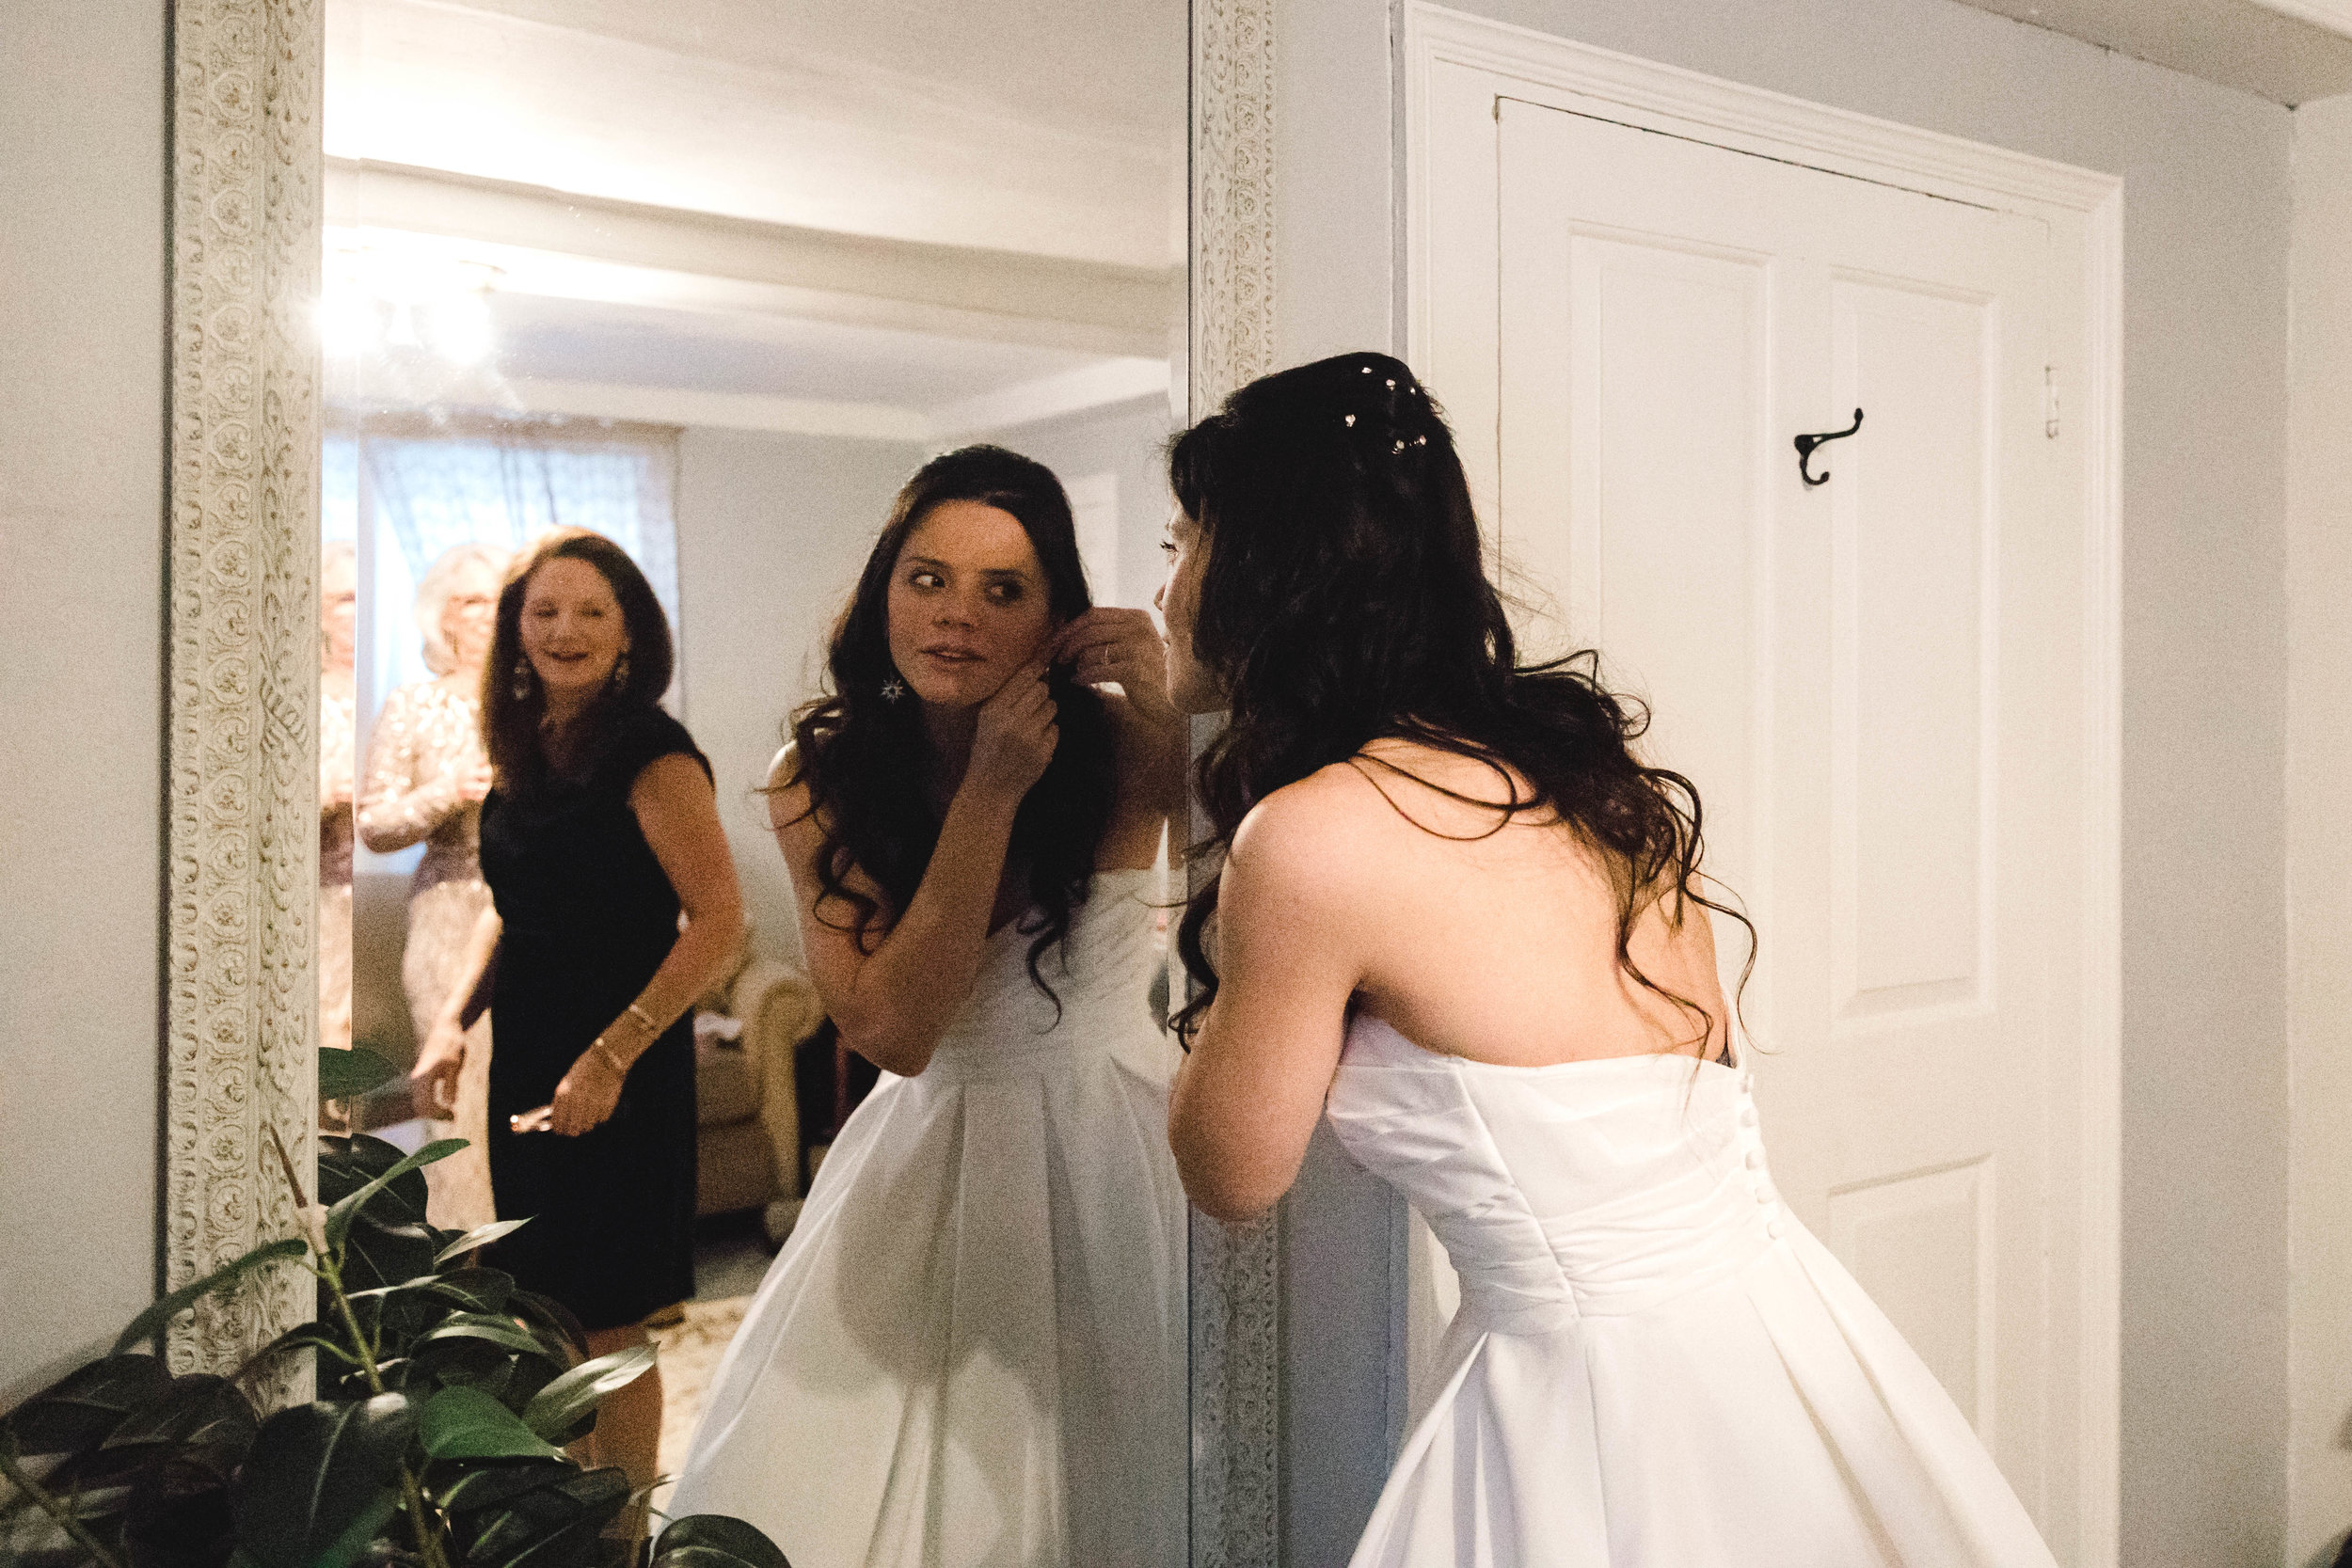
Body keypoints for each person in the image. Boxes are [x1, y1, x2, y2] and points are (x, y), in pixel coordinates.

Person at [1158, 353, 2060, 1567]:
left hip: (1596, 1399)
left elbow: (1230, 1169)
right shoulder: (1579, 775)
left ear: (1260, 570)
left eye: (1181, 543)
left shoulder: (1318, 832)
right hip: (1778, 1336)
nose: (1165, 591)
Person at [669, 446, 1187, 1568]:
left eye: (1005, 589)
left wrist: (1174, 704)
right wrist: (993, 788)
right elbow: (895, 1032)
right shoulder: (818, 771)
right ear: (883, 586)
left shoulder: (1122, 747)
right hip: (933, 1135)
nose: (956, 615)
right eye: (927, 576)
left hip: (1116, 1135)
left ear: (1057, 615)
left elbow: (1246, 900)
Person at [411, 529, 743, 1516]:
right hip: (530, 1061)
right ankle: (576, 1509)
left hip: (622, 1068)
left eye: (593, 610)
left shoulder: (652, 752)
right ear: (516, 630)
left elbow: (721, 920)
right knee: (545, 1304)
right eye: (546, 610)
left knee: (608, 1322)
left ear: (630, 632)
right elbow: (508, 906)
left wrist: (609, 1056)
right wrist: (450, 1026)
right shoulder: (525, 748)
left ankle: (626, 1530)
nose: (566, 629)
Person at [359, 539, 509, 1227]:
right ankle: (462, 1279)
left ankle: (541, 1286)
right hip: (449, 914)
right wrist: (449, 790)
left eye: (499, 596)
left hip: (530, 915)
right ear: (442, 617)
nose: (489, 612)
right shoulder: (414, 704)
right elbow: (375, 824)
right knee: (460, 1102)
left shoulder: (531, 698)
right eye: (472, 599)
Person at [319, 541, 358, 1058]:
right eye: (345, 596)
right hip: (321, 897)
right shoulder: (300, 692)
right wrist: (329, 793)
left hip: (383, 892)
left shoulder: (396, 693)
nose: (356, 610)